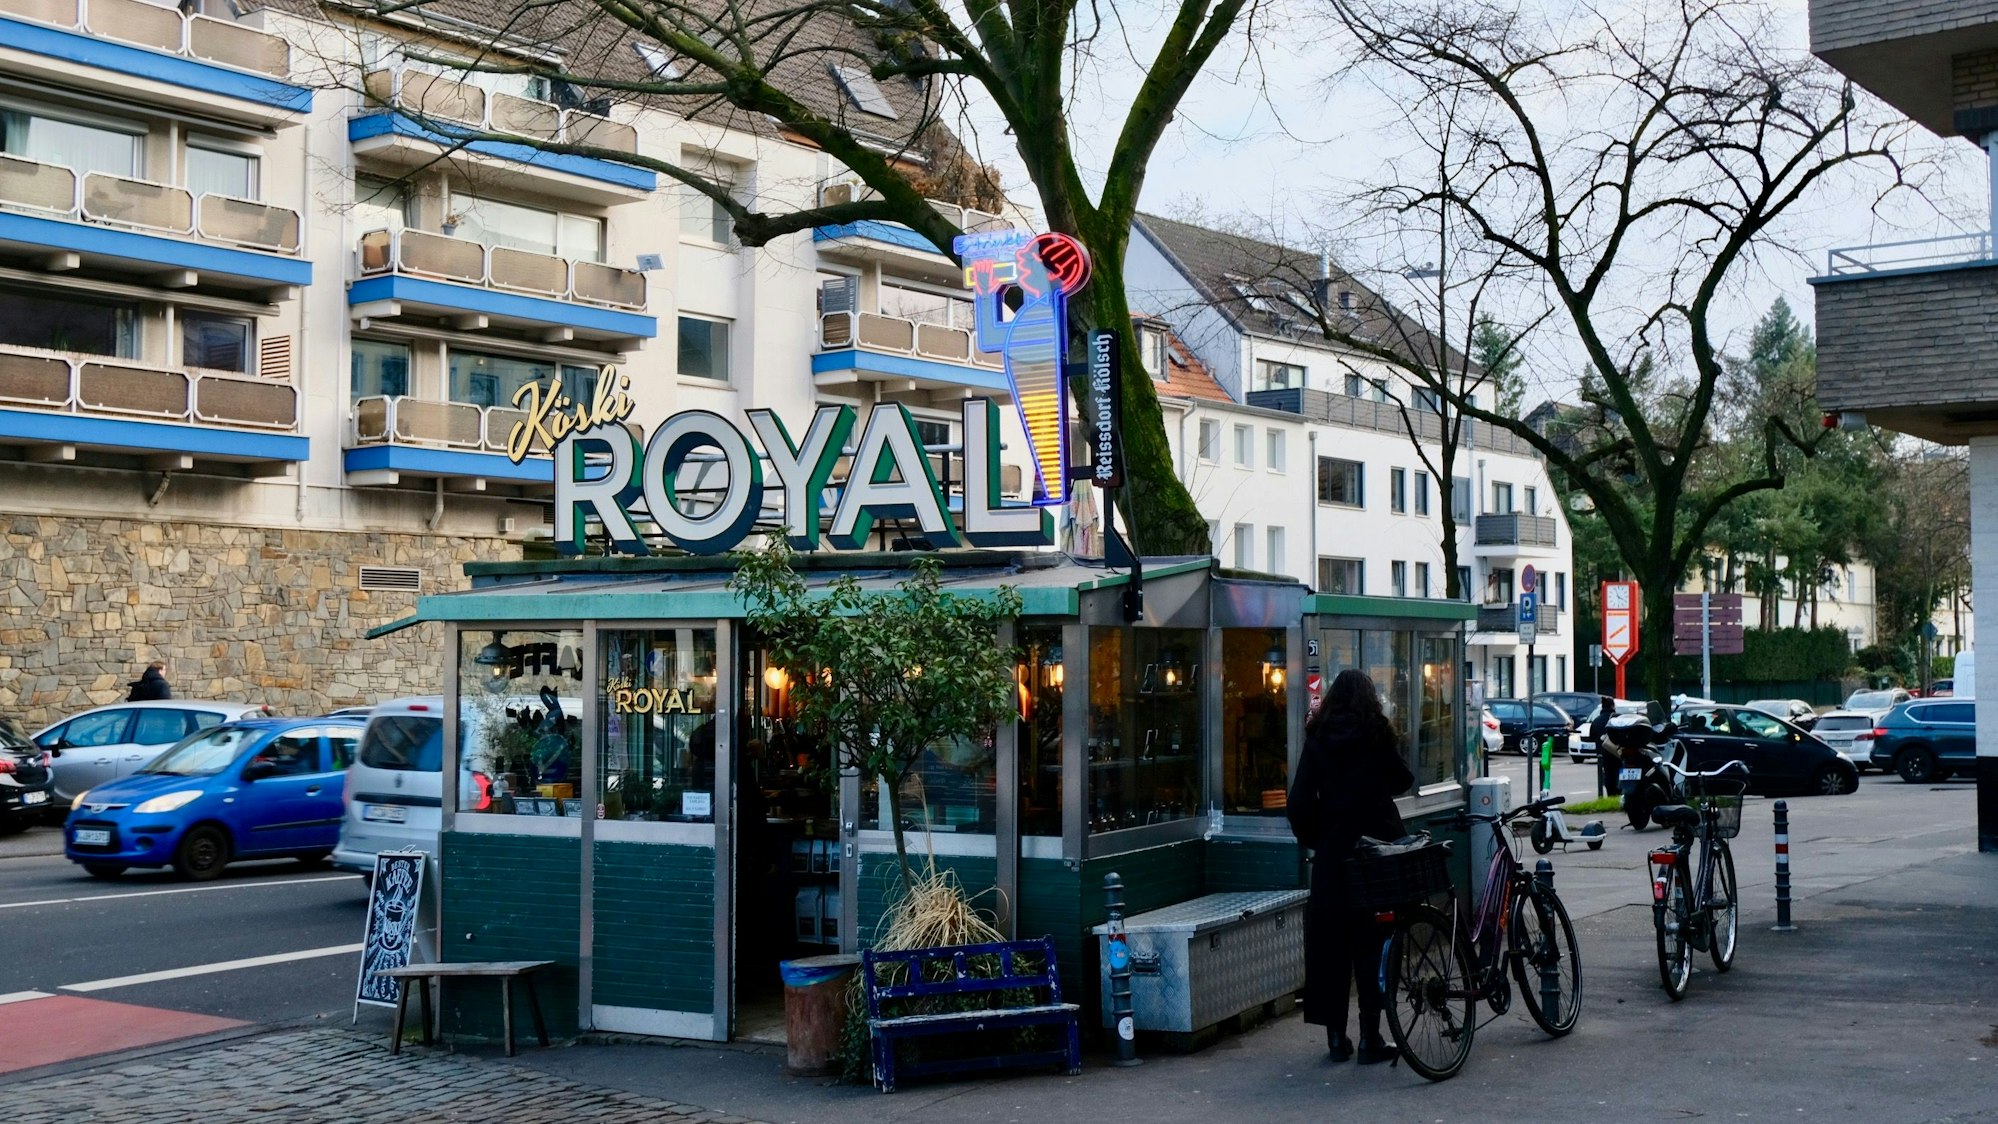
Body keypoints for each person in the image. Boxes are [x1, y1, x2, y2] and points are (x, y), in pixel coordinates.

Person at [1287, 668, 1414, 1064]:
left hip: (1333, 857)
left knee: (1330, 946)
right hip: (1375, 856)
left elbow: (1298, 805)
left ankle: (1336, 1039)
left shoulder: (1318, 740)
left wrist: (1320, 838)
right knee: (1375, 944)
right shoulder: (1377, 735)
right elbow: (1403, 779)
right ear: (1369, 699)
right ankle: (1371, 1038)